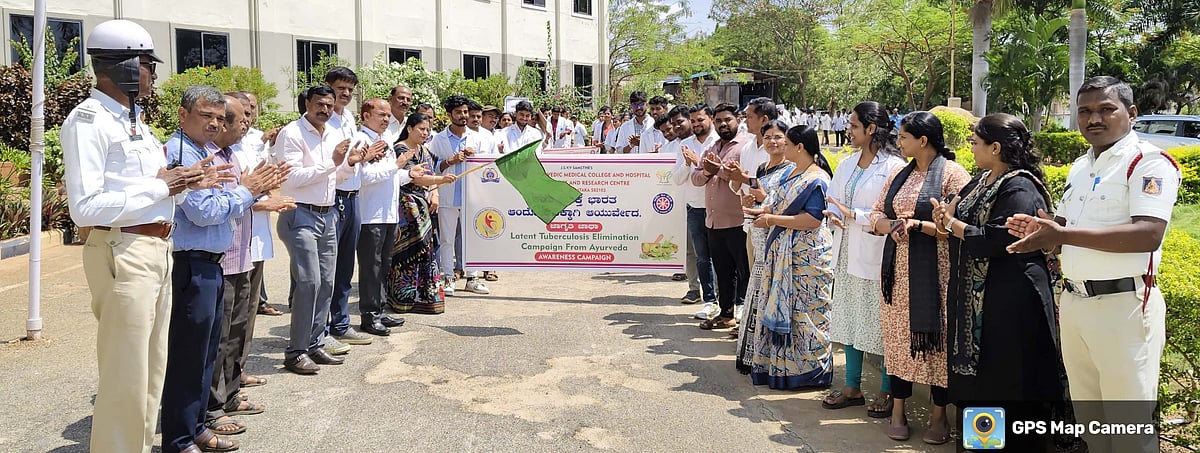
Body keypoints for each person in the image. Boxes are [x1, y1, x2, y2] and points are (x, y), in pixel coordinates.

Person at [1006, 76, 1180, 453]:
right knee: (1092, 424)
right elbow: (1064, 230)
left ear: (1131, 113)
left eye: (1106, 109)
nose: (1093, 119)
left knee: (1129, 429)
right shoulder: (1080, 166)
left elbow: (1148, 234)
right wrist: (1042, 232)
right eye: (1084, 111)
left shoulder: (1147, 162)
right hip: (1075, 303)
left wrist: (1063, 235)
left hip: (1123, 307)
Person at [63, 19, 213, 453]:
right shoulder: (89, 121)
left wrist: (184, 183)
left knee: (150, 372)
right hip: (123, 250)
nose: (153, 74)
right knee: (125, 375)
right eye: (148, 64)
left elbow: (151, 187)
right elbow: (84, 208)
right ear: (125, 65)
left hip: (154, 248)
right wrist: (162, 186)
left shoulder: (133, 121)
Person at [930, 113, 1071, 452]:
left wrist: (952, 224)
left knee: (1008, 386)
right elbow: (955, 215)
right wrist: (944, 218)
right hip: (977, 302)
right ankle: (981, 445)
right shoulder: (982, 180)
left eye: (976, 142)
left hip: (1009, 303)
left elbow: (998, 239)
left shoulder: (1019, 187)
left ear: (995, 147)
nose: (971, 148)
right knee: (979, 390)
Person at [163, 86, 284, 453]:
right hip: (192, 262)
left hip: (211, 262)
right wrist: (246, 191)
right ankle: (179, 438)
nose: (215, 124)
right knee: (189, 355)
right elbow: (204, 212)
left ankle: (196, 426)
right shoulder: (180, 153)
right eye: (207, 116)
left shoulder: (203, 151)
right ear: (183, 115)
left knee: (204, 354)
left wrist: (242, 192)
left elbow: (219, 203)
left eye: (220, 118)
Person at [868, 111, 971, 444]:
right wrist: (891, 225)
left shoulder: (953, 175)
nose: (898, 142)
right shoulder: (900, 173)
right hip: (897, 275)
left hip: (936, 274)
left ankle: (939, 417)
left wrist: (919, 226)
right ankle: (898, 410)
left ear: (923, 140)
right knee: (898, 343)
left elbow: (960, 226)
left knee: (937, 345)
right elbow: (877, 212)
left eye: (904, 137)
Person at [203, 93, 283, 440]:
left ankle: (231, 393)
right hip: (221, 257)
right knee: (219, 336)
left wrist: (259, 187)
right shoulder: (209, 158)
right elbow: (217, 205)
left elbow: (248, 195)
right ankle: (213, 407)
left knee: (237, 329)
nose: (245, 124)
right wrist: (251, 190)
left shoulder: (232, 156)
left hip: (243, 254)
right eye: (239, 119)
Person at [819, 101, 906, 418]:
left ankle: (887, 389)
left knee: (880, 325)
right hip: (845, 253)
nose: (849, 130)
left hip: (875, 254)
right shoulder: (846, 163)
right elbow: (833, 200)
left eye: (854, 125)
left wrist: (854, 214)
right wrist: (833, 214)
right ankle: (852, 386)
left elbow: (893, 213)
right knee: (849, 320)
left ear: (871, 128)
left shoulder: (894, 167)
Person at [273, 85, 360, 375]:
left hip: (328, 213)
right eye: (319, 104)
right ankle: (295, 351)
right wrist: (332, 162)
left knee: (326, 283)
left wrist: (349, 164)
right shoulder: (292, 133)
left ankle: (315, 343)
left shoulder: (332, 133)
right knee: (309, 282)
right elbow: (292, 177)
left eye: (329, 106)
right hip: (299, 213)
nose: (324, 110)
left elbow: (336, 176)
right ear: (307, 103)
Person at [742, 124, 836, 389]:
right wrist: (762, 211)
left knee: (805, 312)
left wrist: (772, 220)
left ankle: (809, 372)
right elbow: (780, 205)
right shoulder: (792, 172)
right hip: (783, 251)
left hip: (807, 256)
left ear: (799, 147)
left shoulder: (817, 178)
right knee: (786, 308)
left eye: (787, 143)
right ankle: (780, 369)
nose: (782, 147)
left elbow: (813, 219)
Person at [733, 120, 802, 371]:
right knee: (756, 288)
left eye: (778, 137)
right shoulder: (762, 168)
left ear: (787, 140)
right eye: (768, 137)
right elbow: (755, 198)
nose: (772, 142)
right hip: (756, 233)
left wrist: (762, 199)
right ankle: (753, 354)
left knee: (770, 290)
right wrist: (749, 198)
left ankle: (770, 358)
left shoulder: (791, 170)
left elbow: (784, 204)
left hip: (777, 238)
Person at [324, 66, 377, 350]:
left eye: (350, 90)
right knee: (326, 270)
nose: (345, 94)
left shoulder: (347, 119)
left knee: (345, 268)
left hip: (352, 197)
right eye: (340, 88)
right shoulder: (322, 121)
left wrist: (363, 158)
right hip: (332, 198)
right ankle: (321, 331)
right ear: (327, 87)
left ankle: (341, 324)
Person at [692, 103, 753, 330]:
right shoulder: (712, 147)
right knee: (723, 271)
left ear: (738, 120)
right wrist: (709, 171)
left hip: (738, 221)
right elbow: (696, 178)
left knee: (744, 271)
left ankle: (746, 319)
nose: (723, 124)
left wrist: (716, 169)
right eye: (718, 121)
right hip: (714, 221)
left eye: (727, 120)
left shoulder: (746, 148)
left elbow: (744, 178)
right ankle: (726, 315)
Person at [388, 113, 457, 314]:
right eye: (421, 129)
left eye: (428, 129)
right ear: (410, 128)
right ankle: (403, 297)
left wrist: (435, 191)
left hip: (423, 206)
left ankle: (424, 295)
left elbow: (431, 172)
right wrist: (440, 181)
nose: (425, 133)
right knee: (407, 252)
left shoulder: (424, 149)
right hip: (406, 207)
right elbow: (415, 178)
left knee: (426, 248)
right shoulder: (401, 149)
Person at [430, 95, 490, 296]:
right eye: (458, 112)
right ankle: (448, 278)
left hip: (471, 197)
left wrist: (475, 157)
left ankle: (472, 278)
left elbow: (487, 166)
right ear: (449, 115)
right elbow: (432, 167)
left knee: (472, 238)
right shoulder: (438, 140)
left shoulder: (478, 138)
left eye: (465, 112)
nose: (464, 116)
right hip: (447, 197)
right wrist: (451, 161)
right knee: (447, 240)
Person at [678, 104, 720, 317]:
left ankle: (724, 300)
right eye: (693, 121)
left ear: (711, 118)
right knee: (702, 256)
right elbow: (677, 179)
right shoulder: (685, 144)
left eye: (700, 120)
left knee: (721, 256)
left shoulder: (719, 142)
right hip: (695, 208)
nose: (696, 124)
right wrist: (687, 164)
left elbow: (721, 173)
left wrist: (698, 162)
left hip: (719, 208)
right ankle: (709, 299)